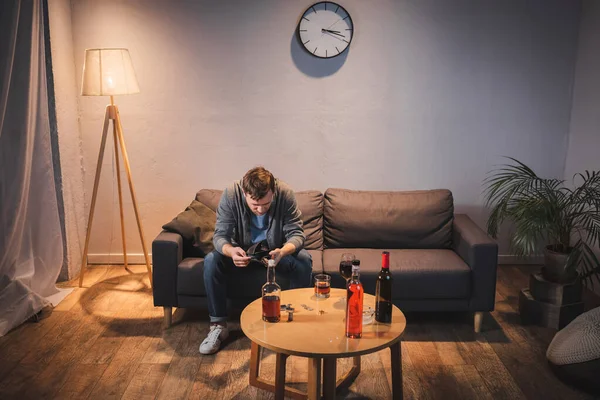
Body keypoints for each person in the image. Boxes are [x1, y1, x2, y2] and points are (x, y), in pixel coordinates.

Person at [199, 166, 312, 354]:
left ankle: (292, 322)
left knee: (304, 260)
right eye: (255, 205)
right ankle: (218, 326)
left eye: (266, 205)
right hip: (242, 252)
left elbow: (297, 234)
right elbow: (220, 236)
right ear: (245, 193)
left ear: (273, 192)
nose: (260, 210)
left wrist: (283, 251)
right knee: (212, 260)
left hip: (275, 251)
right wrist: (231, 251)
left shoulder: (285, 193)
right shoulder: (230, 194)